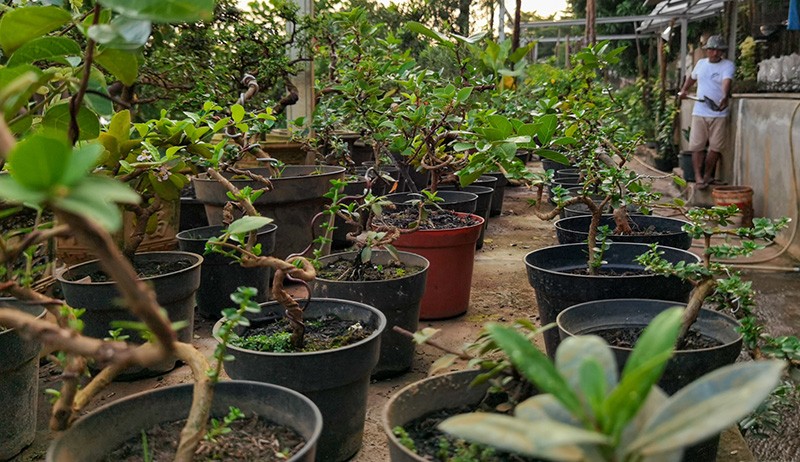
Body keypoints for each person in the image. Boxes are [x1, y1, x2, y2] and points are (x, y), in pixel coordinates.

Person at [678, 35, 735, 190]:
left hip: (719, 113)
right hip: (700, 111)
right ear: (707, 50)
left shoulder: (727, 65)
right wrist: (684, 90)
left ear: (722, 52)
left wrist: (724, 96)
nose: (715, 53)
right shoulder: (701, 64)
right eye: (712, 50)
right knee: (697, 146)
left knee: (715, 147)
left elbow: (726, 82)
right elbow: (692, 78)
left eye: (718, 50)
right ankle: (698, 177)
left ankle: (708, 176)